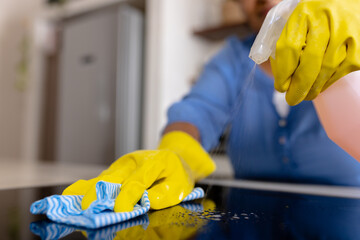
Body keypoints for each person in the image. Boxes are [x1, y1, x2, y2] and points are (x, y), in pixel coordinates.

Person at [63, 0, 360, 213]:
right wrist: (177, 149)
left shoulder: (349, 42)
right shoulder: (232, 60)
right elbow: (198, 109)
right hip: (249, 220)